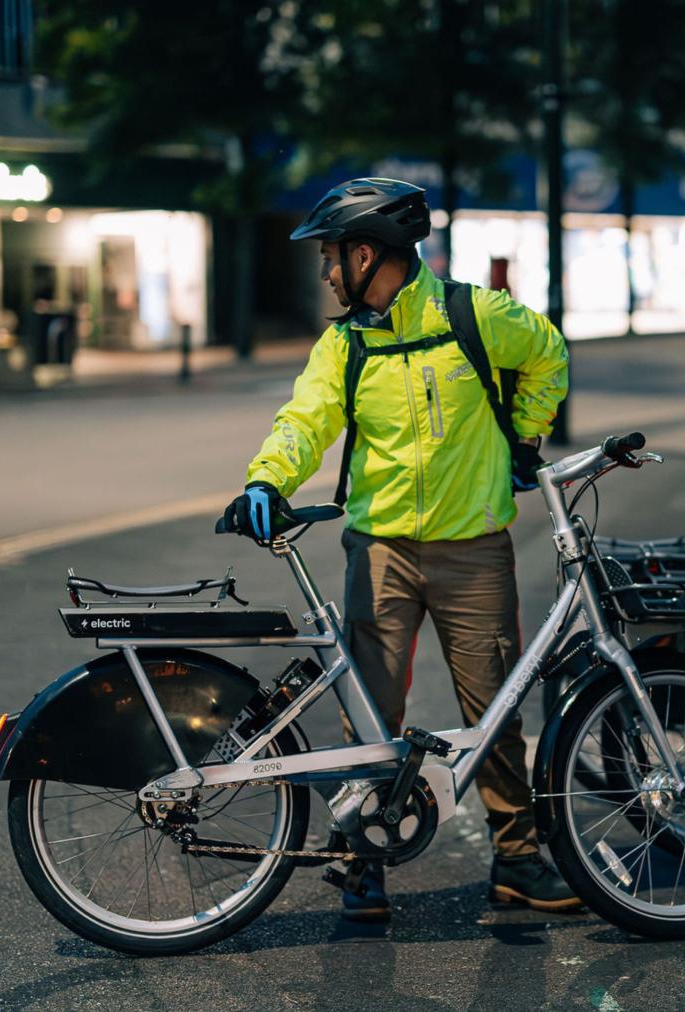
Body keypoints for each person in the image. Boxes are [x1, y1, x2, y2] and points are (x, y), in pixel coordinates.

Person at [221, 178, 579, 920]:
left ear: (367, 253)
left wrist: (525, 434)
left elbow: (547, 353)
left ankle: (516, 858)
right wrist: (265, 478)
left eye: (330, 258)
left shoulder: (473, 315)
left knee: (495, 709)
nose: (324, 274)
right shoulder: (345, 345)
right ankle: (363, 863)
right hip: (380, 548)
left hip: (474, 547)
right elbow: (304, 419)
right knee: (371, 717)